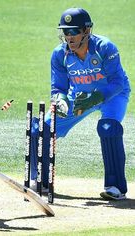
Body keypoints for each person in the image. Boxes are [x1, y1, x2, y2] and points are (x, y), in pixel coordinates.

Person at [30, 8, 130, 200]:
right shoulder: (60, 55)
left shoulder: (105, 47)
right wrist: (60, 101)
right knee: (40, 128)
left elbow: (117, 83)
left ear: (86, 31)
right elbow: (58, 88)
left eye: (73, 31)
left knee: (108, 128)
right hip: (79, 97)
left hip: (112, 95)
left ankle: (116, 187)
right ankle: (40, 181)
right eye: (65, 32)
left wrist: (97, 97)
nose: (69, 37)